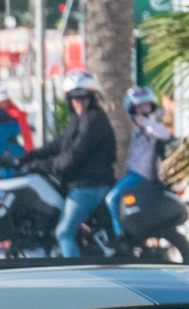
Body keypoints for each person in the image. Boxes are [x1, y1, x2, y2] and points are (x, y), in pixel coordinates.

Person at [18, 70, 117, 255]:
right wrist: (29, 156)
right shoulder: (79, 119)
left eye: (84, 98)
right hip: (79, 184)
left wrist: (40, 166)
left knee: (64, 233)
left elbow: (74, 155)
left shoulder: (94, 119)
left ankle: (75, 276)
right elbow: (60, 144)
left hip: (90, 186)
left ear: (92, 97)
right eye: (74, 98)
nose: (79, 102)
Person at [110, 85, 174, 235]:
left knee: (111, 198)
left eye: (146, 106)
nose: (143, 111)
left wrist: (145, 122)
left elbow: (164, 134)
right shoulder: (136, 131)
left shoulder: (151, 127)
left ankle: (119, 234)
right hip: (132, 174)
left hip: (142, 176)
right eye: (138, 107)